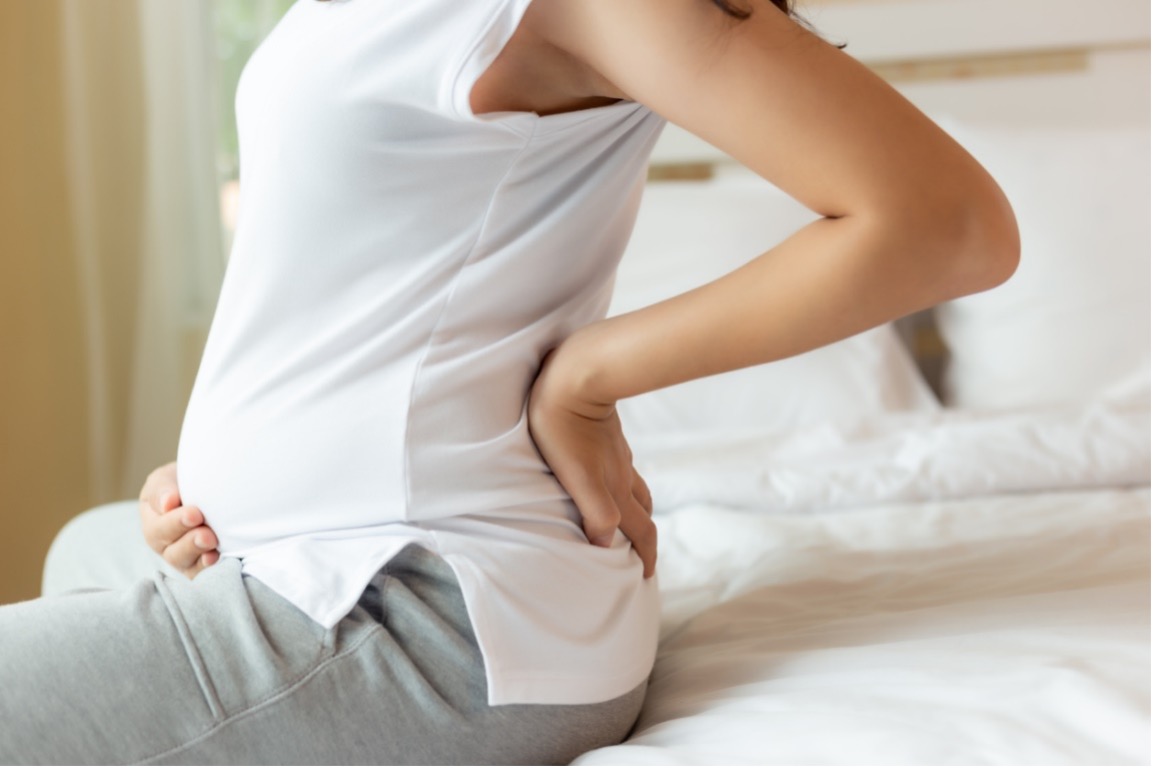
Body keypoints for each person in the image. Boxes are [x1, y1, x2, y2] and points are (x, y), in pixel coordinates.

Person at [0, 0, 1018, 764]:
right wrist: (234, 467)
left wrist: (589, 372)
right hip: (329, 553)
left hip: (433, 610)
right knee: (81, 545)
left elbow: (947, 221)